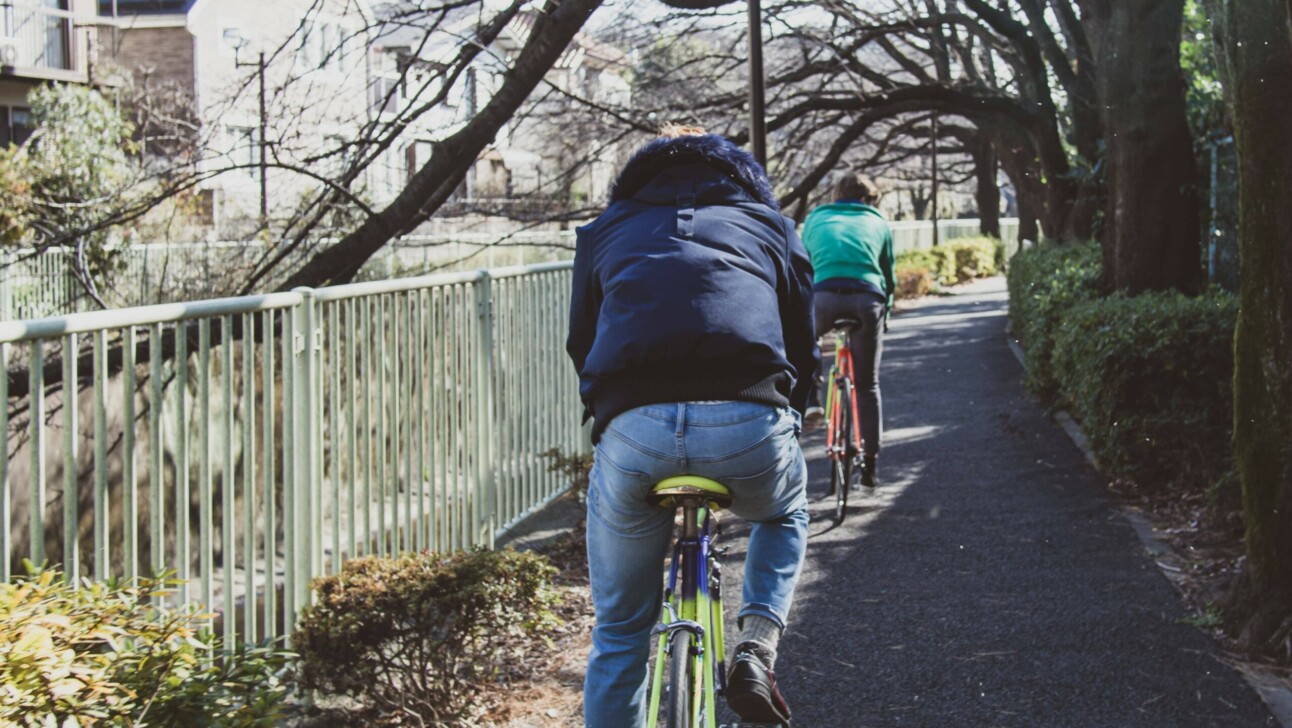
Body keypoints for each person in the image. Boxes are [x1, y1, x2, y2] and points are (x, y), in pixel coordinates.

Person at [567, 124, 818, 727]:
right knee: (786, 511)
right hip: (748, 422)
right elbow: (802, 343)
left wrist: (611, 411)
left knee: (621, 634)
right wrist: (794, 411)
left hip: (636, 429)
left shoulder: (603, 232)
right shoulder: (771, 228)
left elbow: (582, 339)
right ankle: (756, 647)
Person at [800, 173, 895, 488]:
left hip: (823, 297)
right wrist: (887, 311)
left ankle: (812, 394)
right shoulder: (878, 220)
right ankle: (869, 466)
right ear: (868, 198)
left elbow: (802, 265)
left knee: (801, 343)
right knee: (867, 385)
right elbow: (888, 272)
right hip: (867, 299)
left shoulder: (816, 218)